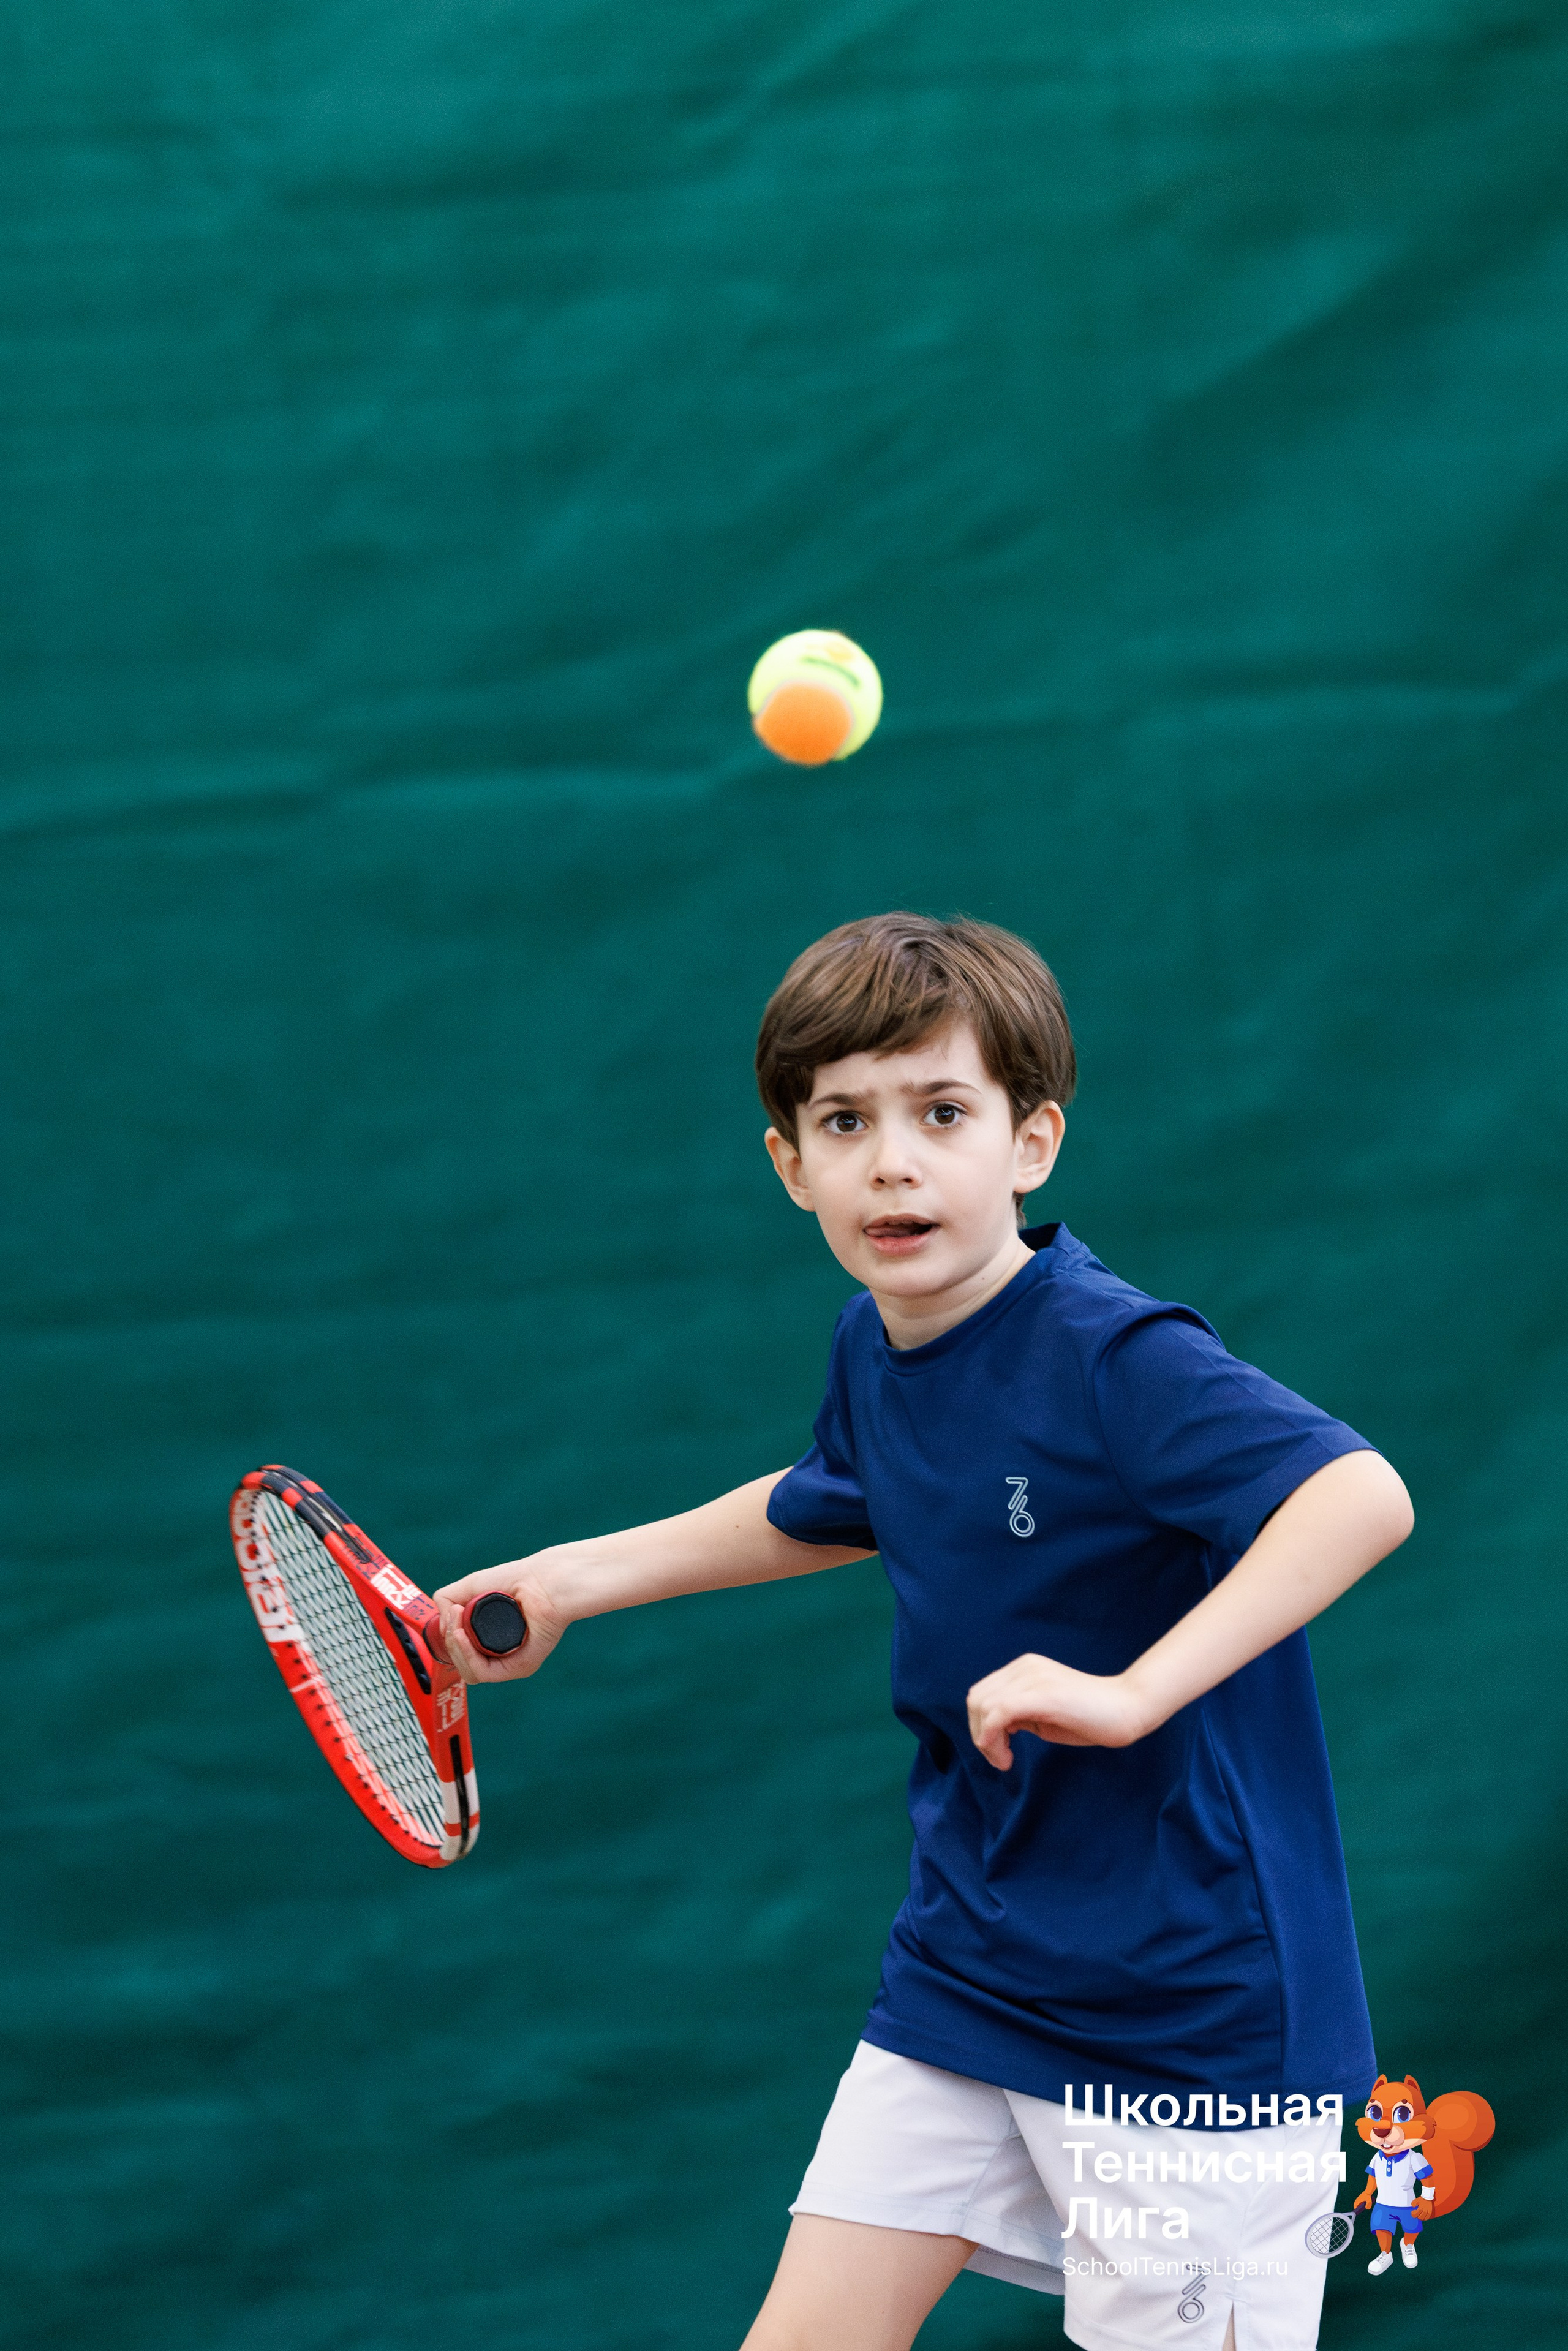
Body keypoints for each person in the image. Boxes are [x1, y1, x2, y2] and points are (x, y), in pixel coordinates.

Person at [435, 913, 1413, 2351]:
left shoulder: (1113, 1354)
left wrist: (1135, 1688)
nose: (891, 1158)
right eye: (844, 1119)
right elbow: (830, 1498)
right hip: (971, 1967)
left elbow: (1355, 1492)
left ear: (1031, 1142)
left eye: (941, 1111)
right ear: (791, 1164)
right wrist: (572, 1577)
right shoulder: (873, 1340)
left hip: (1191, 2011)